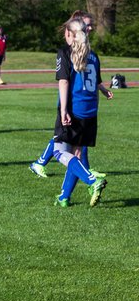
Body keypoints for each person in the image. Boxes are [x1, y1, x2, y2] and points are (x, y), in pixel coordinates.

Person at [48, 18, 110, 207]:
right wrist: (103, 92)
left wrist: (64, 109)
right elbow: (95, 82)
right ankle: (64, 197)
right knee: (76, 156)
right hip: (90, 112)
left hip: (74, 110)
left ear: (70, 34)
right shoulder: (94, 55)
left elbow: (64, 81)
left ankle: (91, 180)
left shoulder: (65, 52)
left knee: (59, 151)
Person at [30, 10, 98, 177]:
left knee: (73, 145)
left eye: (90, 26)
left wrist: (102, 89)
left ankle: (81, 175)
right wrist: (64, 109)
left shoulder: (89, 53)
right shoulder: (68, 52)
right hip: (72, 105)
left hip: (81, 106)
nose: (89, 29)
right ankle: (40, 163)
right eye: (87, 25)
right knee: (61, 141)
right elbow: (64, 80)